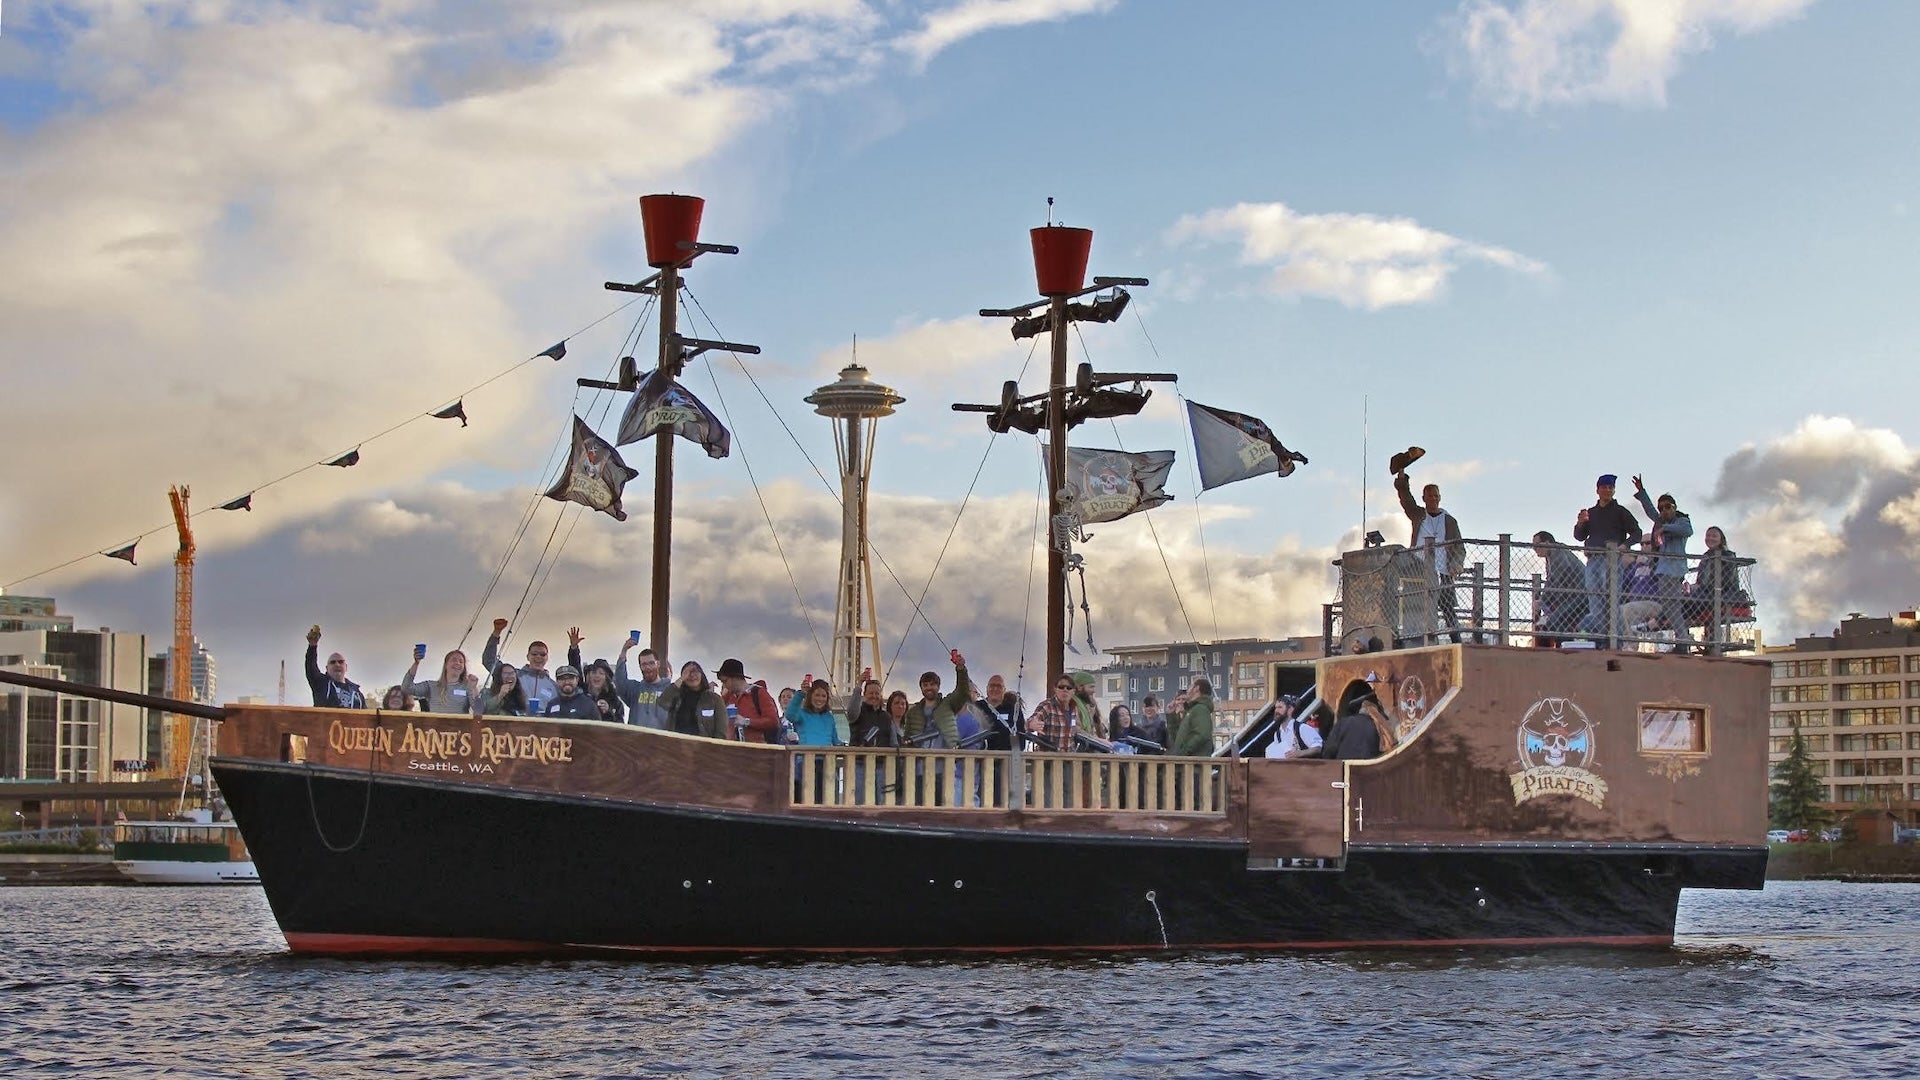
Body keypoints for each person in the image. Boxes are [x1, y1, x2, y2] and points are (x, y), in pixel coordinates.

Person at [1392, 450, 1463, 641]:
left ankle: (1456, 641)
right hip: (1419, 568)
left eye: (1435, 496)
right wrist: (1401, 475)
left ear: (1439, 498)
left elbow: (1458, 547)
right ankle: (1422, 639)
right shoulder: (1418, 515)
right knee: (1418, 606)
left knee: (1448, 609)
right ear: (1424, 498)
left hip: (1443, 570)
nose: (1433, 499)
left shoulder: (1449, 521)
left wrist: (1455, 565)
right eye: (1429, 496)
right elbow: (1406, 499)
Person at [1573, 474, 1643, 638]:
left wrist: (1624, 546)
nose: (1607, 490)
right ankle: (1602, 637)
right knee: (1595, 600)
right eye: (1604, 487)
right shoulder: (1591, 513)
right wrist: (1580, 523)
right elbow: (1579, 536)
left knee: (1611, 600)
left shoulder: (1620, 512)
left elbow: (1637, 533)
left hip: (1611, 560)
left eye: (1610, 487)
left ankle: (1617, 638)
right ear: (1598, 490)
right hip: (1593, 560)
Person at [1631, 476, 1696, 653]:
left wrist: (1665, 529)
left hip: (1674, 570)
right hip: (1662, 570)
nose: (1664, 511)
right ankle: (1682, 639)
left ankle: (1682, 641)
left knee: (1673, 606)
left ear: (1674, 507)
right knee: (1670, 606)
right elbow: (1651, 512)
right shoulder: (1661, 521)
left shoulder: (1681, 520)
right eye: (1662, 508)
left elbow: (1687, 530)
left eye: (1668, 507)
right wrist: (1642, 492)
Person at [1688, 526, 1749, 653]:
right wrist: (1693, 587)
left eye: (1714, 536)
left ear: (1721, 539)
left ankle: (1705, 642)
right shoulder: (1705, 557)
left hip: (1723, 594)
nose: (1710, 538)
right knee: (1684, 598)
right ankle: (1686, 637)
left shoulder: (1728, 556)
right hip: (1706, 593)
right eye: (1708, 535)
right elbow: (1700, 580)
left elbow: (1727, 581)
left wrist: (1702, 587)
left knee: (1691, 601)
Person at [481, 618, 558, 713]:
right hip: (516, 720)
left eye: (542, 654)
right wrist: (496, 633)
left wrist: (573, 649)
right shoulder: (513, 675)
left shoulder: (554, 686)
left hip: (543, 721)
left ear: (547, 658)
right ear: (528, 656)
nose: (538, 657)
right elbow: (489, 660)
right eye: (534, 654)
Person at [906, 650, 974, 749]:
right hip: (919, 757)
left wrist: (961, 669)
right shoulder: (913, 712)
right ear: (921, 688)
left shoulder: (948, 704)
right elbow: (907, 740)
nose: (929, 688)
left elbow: (962, 692)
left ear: (938, 687)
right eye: (925, 685)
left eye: (932, 684)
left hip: (946, 756)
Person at [1531, 531, 1586, 648]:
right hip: (1571, 596)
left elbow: (1555, 578)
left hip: (1579, 596)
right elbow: (1553, 580)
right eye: (1533, 546)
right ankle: (1565, 646)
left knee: (1555, 620)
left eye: (1537, 545)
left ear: (1547, 543)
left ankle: (1566, 648)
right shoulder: (1553, 555)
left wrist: (1543, 600)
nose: (1535, 549)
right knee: (1556, 620)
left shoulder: (1558, 553)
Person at [715, 658, 783, 744]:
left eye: (725, 681)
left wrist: (747, 721)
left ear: (736, 678)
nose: (724, 685)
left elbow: (773, 722)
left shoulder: (759, 693)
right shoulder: (727, 697)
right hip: (731, 748)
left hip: (756, 748)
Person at [402, 648, 482, 716]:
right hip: (436, 728)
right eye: (454, 660)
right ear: (446, 665)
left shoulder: (467, 687)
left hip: (459, 729)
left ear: (464, 668)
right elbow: (406, 688)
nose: (457, 663)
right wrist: (416, 663)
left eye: (461, 662)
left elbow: (479, 710)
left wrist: (474, 688)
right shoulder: (431, 686)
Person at [304, 626, 367, 709]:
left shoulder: (357, 692)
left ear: (346, 667)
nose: (337, 664)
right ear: (327, 668)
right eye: (333, 662)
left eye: (341, 662)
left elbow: (365, 713)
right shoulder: (321, 684)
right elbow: (311, 667)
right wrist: (312, 646)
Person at [658, 661, 726, 738]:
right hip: (676, 743)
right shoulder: (676, 696)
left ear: (702, 675)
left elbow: (721, 731)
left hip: (703, 744)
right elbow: (663, 702)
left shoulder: (715, 699)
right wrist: (681, 679)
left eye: (695, 671)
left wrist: (711, 745)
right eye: (687, 672)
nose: (692, 675)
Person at [615, 644, 673, 729]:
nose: (648, 667)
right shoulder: (635, 689)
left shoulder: (669, 690)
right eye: (644, 664)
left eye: (651, 663)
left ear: (658, 664)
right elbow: (620, 682)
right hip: (636, 736)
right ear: (640, 667)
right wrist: (624, 650)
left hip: (661, 737)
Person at [1025, 675, 1080, 750]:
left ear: (1073, 691)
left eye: (1069, 688)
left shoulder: (1074, 708)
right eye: (1061, 687)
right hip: (1048, 755)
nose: (1065, 690)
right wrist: (1031, 725)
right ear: (1055, 689)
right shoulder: (1047, 706)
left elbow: (1075, 731)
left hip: (1069, 755)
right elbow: (1029, 722)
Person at [783, 678, 841, 746]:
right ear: (810, 696)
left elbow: (835, 740)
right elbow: (790, 715)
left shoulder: (829, 717)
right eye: (817, 695)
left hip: (826, 753)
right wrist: (801, 693)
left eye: (823, 696)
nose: (820, 699)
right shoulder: (802, 714)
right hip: (806, 752)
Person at [976, 675, 1025, 750]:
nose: (995, 689)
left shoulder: (1014, 710)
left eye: (999, 686)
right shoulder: (977, 707)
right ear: (987, 689)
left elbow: (1021, 737)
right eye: (992, 686)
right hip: (979, 754)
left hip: (1006, 755)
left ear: (1004, 690)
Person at [1169, 679, 1216, 757]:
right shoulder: (1192, 710)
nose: (1187, 690)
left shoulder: (1200, 709)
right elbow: (1179, 738)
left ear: (1196, 688)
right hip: (1188, 761)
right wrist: (1172, 716)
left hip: (1193, 762)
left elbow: (1202, 734)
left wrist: (1183, 752)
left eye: (1190, 686)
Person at [849, 679, 897, 748]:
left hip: (882, 754)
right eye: (871, 693)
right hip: (859, 754)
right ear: (864, 694)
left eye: (877, 693)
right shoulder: (858, 713)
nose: (874, 696)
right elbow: (851, 712)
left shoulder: (887, 717)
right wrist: (859, 685)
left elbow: (894, 742)